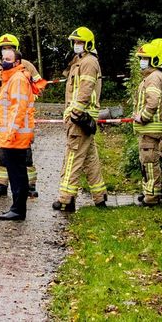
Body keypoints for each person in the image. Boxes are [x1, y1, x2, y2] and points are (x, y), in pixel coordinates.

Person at [0, 33, 43, 198]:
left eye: (9, 48)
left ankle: (30, 186)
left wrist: (29, 98)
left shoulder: (27, 66)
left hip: (21, 117)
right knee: (2, 152)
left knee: (25, 153)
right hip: (0, 118)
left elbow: (39, 86)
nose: (6, 51)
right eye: (3, 48)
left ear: (16, 50)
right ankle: (1, 185)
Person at [53, 26, 107, 213]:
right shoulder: (81, 61)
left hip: (80, 117)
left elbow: (85, 89)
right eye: (75, 42)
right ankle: (100, 197)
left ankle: (66, 199)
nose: (76, 45)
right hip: (83, 116)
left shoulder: (89, 62)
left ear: (89, 43)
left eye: (80, 42)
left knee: (73, 157)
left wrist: (72, 113)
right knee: (90, 158)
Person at [0, 43, 46, 220]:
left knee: (17, 174)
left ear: (17, 62)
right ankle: (17, 208)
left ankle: (18, 209)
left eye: (8, 59)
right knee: (17, 172)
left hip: (15, 137)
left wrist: (10, 132)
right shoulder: (14, 78)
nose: (4, 62)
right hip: (15, 136)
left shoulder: (17, 79)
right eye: (3, 59)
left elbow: (18, 109)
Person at [130, 38, 162, 206]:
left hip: (150, 127)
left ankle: (151, 197)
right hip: (151, 127)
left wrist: (143, 117)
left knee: (149, 162)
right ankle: (150, 193)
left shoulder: (154, 77)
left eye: (145, 59)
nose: (142, 62)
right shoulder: (154, 76)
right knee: (150, 162)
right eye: (140, 58)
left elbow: (153, 101)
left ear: (154, 60)